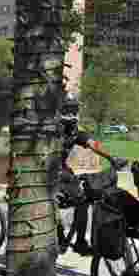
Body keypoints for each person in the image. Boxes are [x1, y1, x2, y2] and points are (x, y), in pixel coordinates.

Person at [56, 93, 124, 256]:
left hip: (64, 173)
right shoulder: (51, 129)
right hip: (45, 174)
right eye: (69, 109)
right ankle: (57, 236)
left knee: (83, 199)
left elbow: (93, 144)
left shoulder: (74, 131)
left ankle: (80, 241)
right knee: (51, 204)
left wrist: (111, 158)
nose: (72, 113)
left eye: (75, 109)